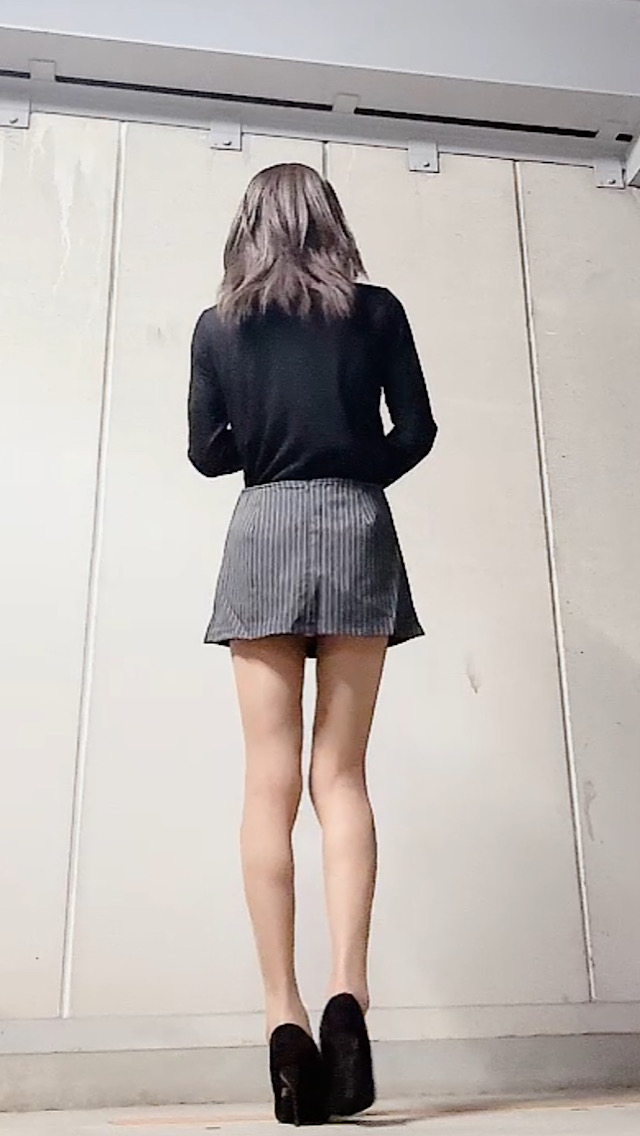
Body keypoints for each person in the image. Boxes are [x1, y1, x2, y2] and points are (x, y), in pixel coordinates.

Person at [188, 162, 438, 1126]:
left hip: (263, 530)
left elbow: (207, 451)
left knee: (267, 785)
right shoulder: (375, 311)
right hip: (355, 524)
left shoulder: (220, 326)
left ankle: (282, 1016)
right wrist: (349, 462)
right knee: (342, 776)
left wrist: (269, 442)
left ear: (247, 226)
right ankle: (348, 994)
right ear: (330, 221)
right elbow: (416, 430)